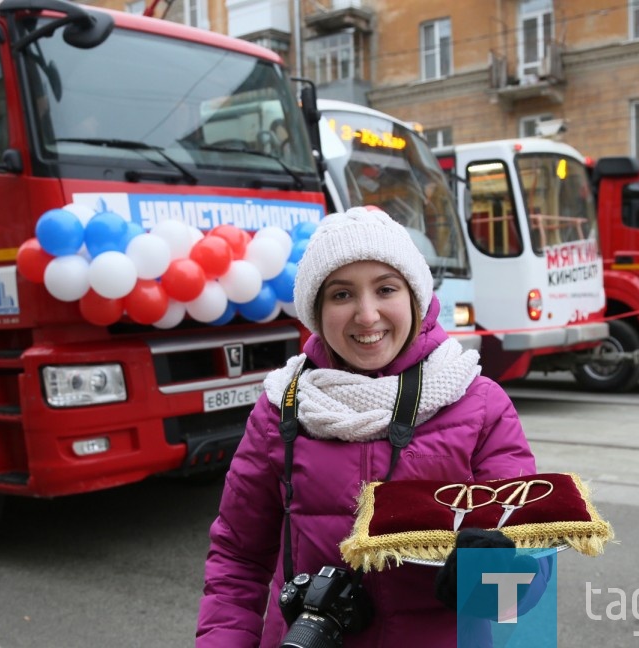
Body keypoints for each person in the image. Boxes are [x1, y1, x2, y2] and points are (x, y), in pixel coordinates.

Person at [195, 207, 546, 647]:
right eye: (342, 295)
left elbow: (523, 581)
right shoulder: (281, 408)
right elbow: (237, 560)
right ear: (316, 311)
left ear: (415, 298)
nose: (366, 315)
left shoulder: (479, 405)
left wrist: (495, 572)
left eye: (385, 289)